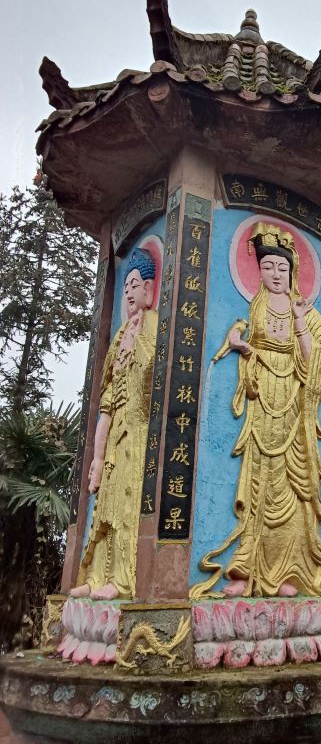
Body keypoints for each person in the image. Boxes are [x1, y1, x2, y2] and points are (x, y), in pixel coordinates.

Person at [202, 222, 321, 598]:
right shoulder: (257, 308)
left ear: (293, 271)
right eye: (267, 267)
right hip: (262, 405)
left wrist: (299, 320)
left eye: (282, 268)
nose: (276, 274)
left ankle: (288, 572)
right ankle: (246, 569)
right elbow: (250, 347)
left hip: (294, 407)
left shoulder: (308, 314)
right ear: (259, 272)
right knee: (258, 483)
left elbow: (315, 364)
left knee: (293, 489)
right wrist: (241, 345)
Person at [69, 248, 158, 601]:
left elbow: (153, 376)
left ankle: (122, 580)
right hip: (115, 431)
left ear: (149, 289)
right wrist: (96, 454)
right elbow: (106, 400)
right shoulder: (120, 337)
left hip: (137, 431)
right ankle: (95, 576)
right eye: (126, 287)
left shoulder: (153, 327)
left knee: (126, 506)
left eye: (135, 285)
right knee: (104, 506)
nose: (129, 293)